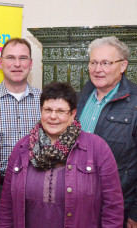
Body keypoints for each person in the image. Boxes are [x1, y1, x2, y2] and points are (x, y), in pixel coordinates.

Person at [0, 82, 124, 227]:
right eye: (48, 110)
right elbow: (7, 205)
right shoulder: (22, 148)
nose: (53, 116)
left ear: (73, 114)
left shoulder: (97, 148)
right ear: (41, 111)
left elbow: (113, 207)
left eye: (60, 111)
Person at [77, 36, 137, 228]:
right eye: (93, 62)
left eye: (106, 63)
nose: (97, 69)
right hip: (79, 203)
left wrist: (136, 212)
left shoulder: (135, 102)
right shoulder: (82, 95)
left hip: (119, 207)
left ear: (123, 66)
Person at [0, 38, 41, 187]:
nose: (17, 64)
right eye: (10, 58)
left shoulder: (45, 102)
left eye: (23, 58)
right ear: (0, 63)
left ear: (30, 64)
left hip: (36, 185)